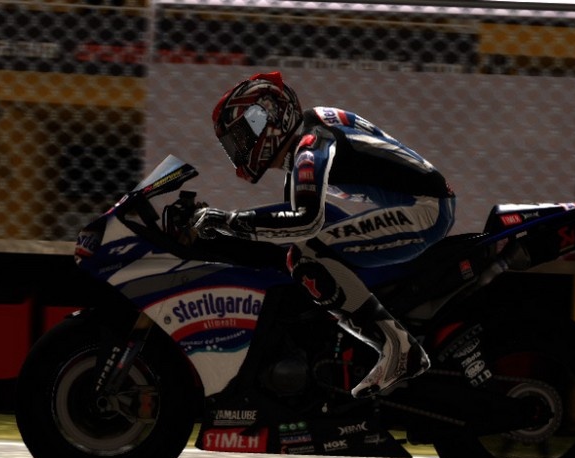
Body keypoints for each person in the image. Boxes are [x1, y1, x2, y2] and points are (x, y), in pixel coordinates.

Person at [192, 72, 456, 398]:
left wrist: (230, 221)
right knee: (306, 249)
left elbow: (304, 221)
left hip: (425, 210)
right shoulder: (313, 130)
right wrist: (228, 225)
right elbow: (288, 223)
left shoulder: (309, 146)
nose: (241, 148)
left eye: (245, 135)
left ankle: (398, 347)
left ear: (273, 117)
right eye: (235, 142)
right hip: (422, 203)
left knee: (306, 258)